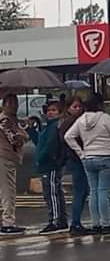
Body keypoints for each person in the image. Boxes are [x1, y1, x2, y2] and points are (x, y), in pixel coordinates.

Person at [63, 93, 110, 235]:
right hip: (106, 157)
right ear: (100, 105)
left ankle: (96, 225)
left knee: (94, 192)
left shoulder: (81, 119)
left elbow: (68, 136)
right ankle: (106, 224)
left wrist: (81, 153)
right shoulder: (105, 118)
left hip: (88, 159)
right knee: (103, 192)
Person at [28, 100, 67, 234]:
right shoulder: (48, 127)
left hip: (50, 165)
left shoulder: (54, 126)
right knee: (53, 192)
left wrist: (41, 158)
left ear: (60, 112)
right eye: (49, 110)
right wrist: (31, 130)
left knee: (52, 193)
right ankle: (60, 219)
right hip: (48, 164)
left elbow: (49, 147)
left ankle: (55, 220)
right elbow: (40, 142)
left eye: (54, 110)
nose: (50, 112)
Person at [58, 96, 91, 236]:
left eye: (79, 106)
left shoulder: (68, 122)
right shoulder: (71, 123)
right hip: (76, 160)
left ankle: (76, 222)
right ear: (68, 108)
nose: (78, 109)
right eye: (74, 107)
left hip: (75, 159)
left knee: (83, 190)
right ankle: (75, 223)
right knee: (80, 190)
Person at [0, 94, 29, 235]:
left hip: (7, 157)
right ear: (4, 104)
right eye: (11, 103)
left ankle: (7, 221)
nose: (15, 106)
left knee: (7, 190)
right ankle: (8, 223)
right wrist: (22, 135)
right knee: (8, 191)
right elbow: (14, 139)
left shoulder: (11, 119)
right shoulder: (4, 120)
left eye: (16, 102)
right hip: (5, 156)